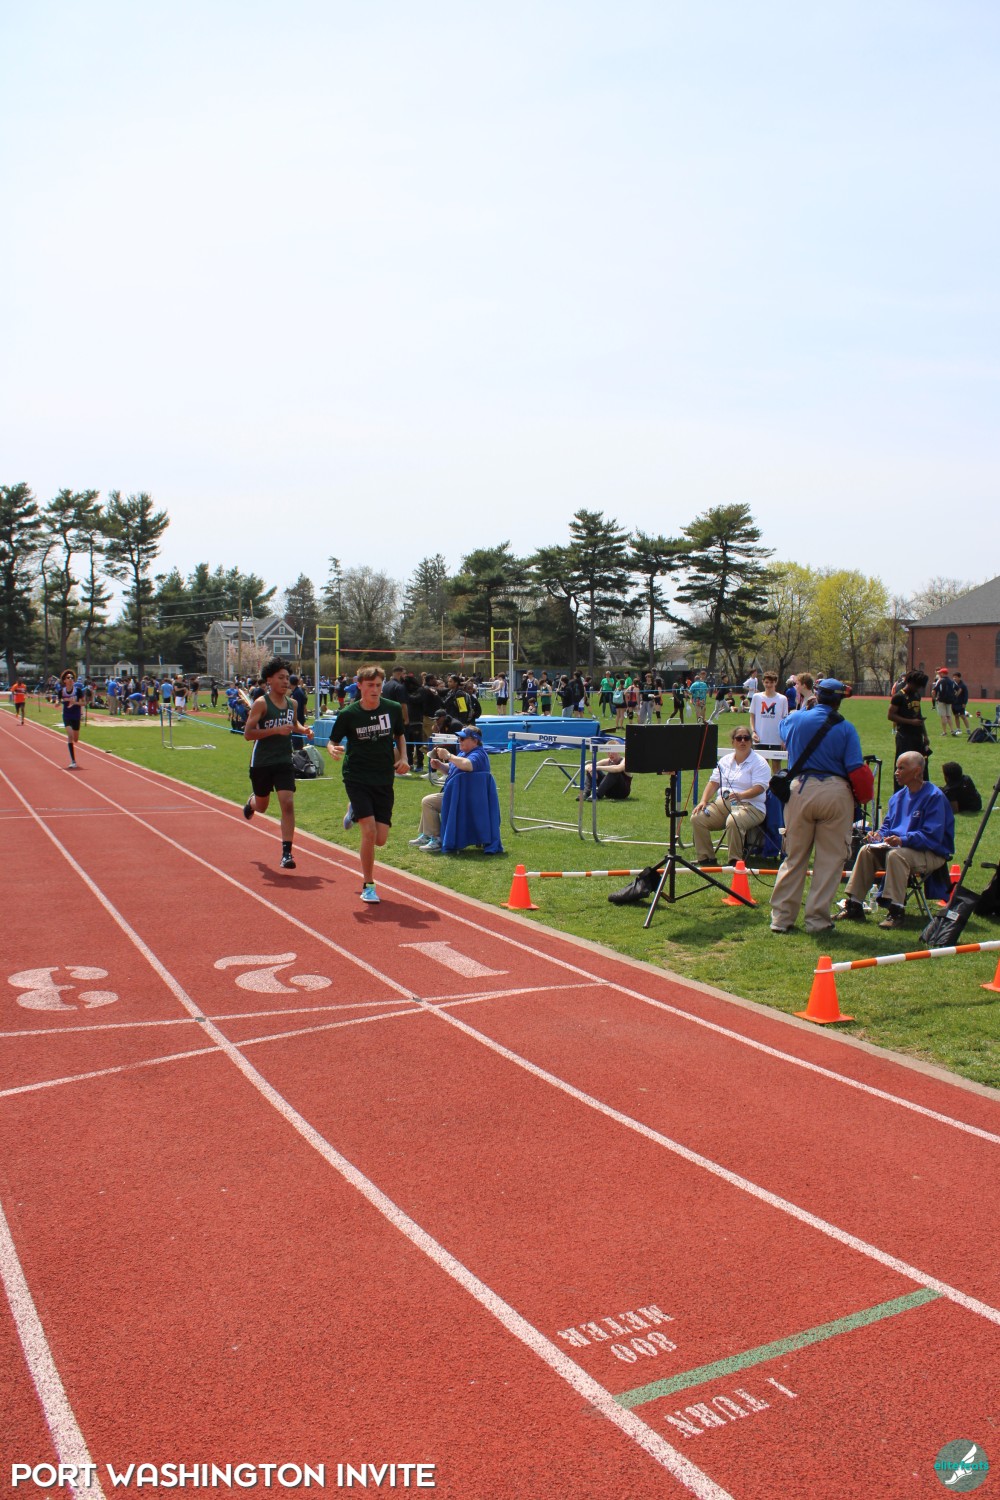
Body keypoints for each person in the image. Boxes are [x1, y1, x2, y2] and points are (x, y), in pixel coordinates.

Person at [769, 678, 866, 935]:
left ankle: (781, 918)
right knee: (829, 861)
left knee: (794, 857)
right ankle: (817, 920)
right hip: (835, 791)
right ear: (839, 701)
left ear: (817, 696)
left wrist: (805, 708)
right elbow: (855, 767)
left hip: (800, 790)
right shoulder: (846, 728)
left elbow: (783, 729)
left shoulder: (796, 719)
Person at [835, 751, 954, 930]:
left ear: (917, 771)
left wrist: (902, 840)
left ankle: (896, 910)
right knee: (867, 850)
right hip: (899, 849)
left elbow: (932, 836)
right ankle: (854, 904)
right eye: (896, 768)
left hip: (931, 852)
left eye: (901, 768)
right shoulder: (897, 798)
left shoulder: (934, 797)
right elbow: (887, 827)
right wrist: (878, 836)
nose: (896, 772)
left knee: (897, 855)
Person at [327, 664, 407, 903]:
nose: (375, 689)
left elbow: (399, 735)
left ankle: (353, 810)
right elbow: (332, 741)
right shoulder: (349, 714)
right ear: (359, 685)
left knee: (380, 839)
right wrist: (332, 750)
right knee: (369, 832)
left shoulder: (392, 709)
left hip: (383, 777)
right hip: (357, 776)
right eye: (370, 685)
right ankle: (369, 885)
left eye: (378, 685)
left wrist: (403, 757)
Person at [242, 656, 313, 870]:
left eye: (287, 677)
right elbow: (248, 734)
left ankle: (287, 853)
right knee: (262, 806)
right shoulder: (261, 704)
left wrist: (303, 730)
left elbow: (293, 723)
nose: (285, 681)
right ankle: (252, 803)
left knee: (287, 802)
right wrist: (275, 730)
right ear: (269, 680)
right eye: (280, 677)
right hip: (262, 762)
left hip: (284, 760)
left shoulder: (292, 703)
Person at [690, 727, 770, 866]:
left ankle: (735, 861)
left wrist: (741, 795)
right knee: (697, 818)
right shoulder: (725, 760)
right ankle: (706, 859)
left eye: (746, 738)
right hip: (722, 804)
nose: (743, 741)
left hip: (750, 807)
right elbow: (713, 783)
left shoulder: (760, 762)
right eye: (739, 738)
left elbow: (760, 787)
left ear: (751, 742)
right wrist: (703, 801)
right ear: (733, 742)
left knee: (734, 820)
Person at [410, 724, 492, 851]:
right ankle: (427, 834)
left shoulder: (478, 754)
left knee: (428, 802)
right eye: (459, 738)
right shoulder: (465, 753)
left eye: (463, 738)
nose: (460, 741)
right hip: (458, 794)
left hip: (464, 798)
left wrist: (449, 756)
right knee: (429, 801)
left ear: (475, 741)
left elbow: (467, 765)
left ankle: (437, 838)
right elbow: (454, 768)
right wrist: (440, 766)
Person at [888, 670, 931, 781]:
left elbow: (919, 716)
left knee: (920, 764)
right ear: (910, 682)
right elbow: (891, 715)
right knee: (904, 765)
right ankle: (901, 787)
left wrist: (925, 735)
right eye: (917, 686)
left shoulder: (916, 696)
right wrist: (911, 722)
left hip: (917, 736)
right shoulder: (899, 697)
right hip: (904, 736)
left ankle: (920, 787)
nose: (918, 689)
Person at [749, 673, 789, 764]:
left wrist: (784, 738)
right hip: (760, 739)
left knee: (776, 765)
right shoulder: (756, 697)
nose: (769, 685)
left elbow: (785, 720)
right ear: (763, 682)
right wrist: (753, 732)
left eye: (771, 682)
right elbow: (752, 716)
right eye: (766, 682)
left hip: (777, 739)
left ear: (775, 682)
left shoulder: (782, 699)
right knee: (761, 765)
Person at [59, 669, 85, 769]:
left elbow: (83, 703)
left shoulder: (78, 691)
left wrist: (75, 702)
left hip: (76, 716)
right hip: (67, 715)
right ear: (64, 680)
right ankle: (73, 761)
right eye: (68, 678)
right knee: (70, 736)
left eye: (72, 678)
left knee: (76, 739)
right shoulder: (62, 691)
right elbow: (58, 701)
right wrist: (57, 703)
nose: (70, 679)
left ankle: (73, 759)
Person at [930, 668, 958, 736]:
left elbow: (933, 691)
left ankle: (944, 732)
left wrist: (934, 698)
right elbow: (958, 689)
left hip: (941, 700)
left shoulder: (940, 680)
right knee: (949, 716)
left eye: (940, 673)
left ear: (943, 673)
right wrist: (955, 696)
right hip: (949, 700)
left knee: (943, 716)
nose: (939, 674)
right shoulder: (952, 681)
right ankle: (952, 730)